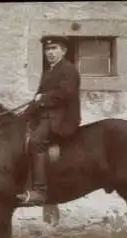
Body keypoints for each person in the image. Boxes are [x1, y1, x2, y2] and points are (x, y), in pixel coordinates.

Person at [16, 35, 81, 206]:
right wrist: (22, 117)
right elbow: (37, 100)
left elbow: (65, 95)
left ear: (64, 51)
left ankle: (40, 191)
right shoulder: (50, 71)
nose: (50, 52)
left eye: (54, 49)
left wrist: (42, 98)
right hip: (47, 118)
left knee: (36, 142)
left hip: (62, 120)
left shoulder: (68, 69)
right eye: (47, 49)